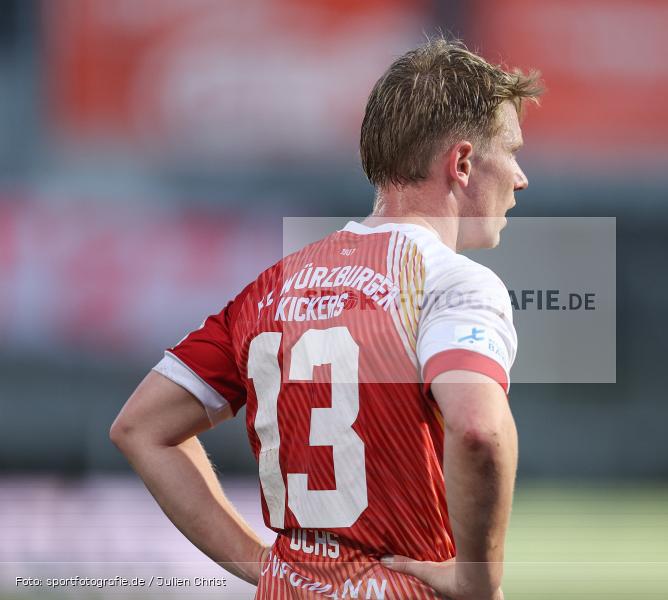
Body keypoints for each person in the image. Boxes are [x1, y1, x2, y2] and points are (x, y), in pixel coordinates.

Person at [110, 37, 541, 600]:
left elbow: (140, 428)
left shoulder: (270, 288)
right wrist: (478, 580)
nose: (520, 176)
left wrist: (261, 565)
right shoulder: (452, 282)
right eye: (512, 151)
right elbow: (480, 430)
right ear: (462, 163)